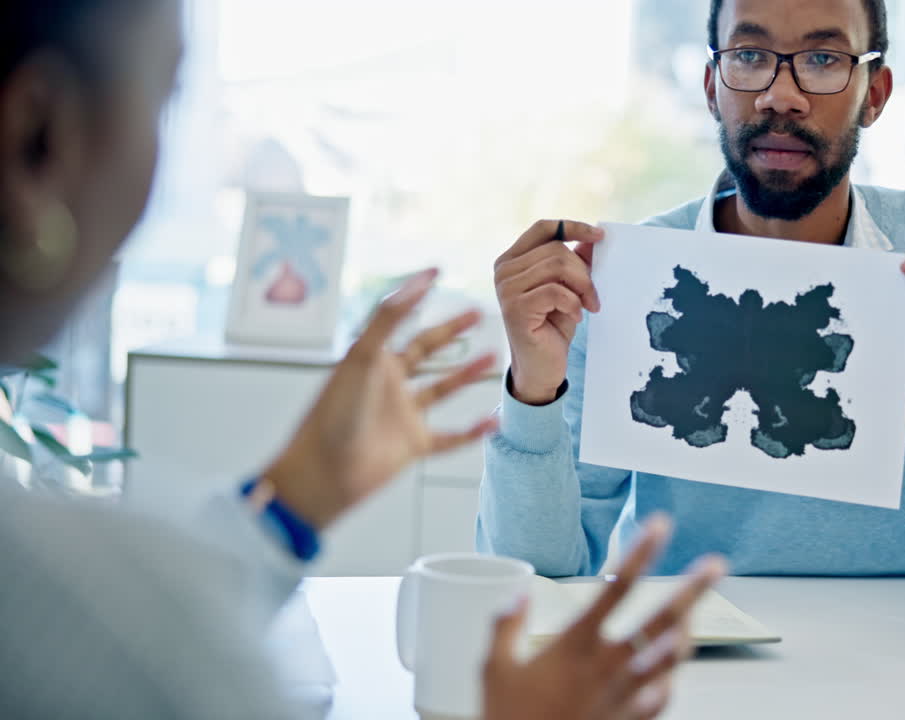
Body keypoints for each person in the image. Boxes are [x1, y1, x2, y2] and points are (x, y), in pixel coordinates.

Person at [0, 1, 725, 718]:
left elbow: (135, 613)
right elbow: (132, 638)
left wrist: (288, 504)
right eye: (166, 98)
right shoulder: (83, 609)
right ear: (38, 135)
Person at [479, 0, 905, 603]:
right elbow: (534, 579)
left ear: (874, 94)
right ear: (711, 86)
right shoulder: (624, 280)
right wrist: (532, 389)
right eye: (749, 55)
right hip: (685, 663)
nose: (782, 96)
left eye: (824, 59)